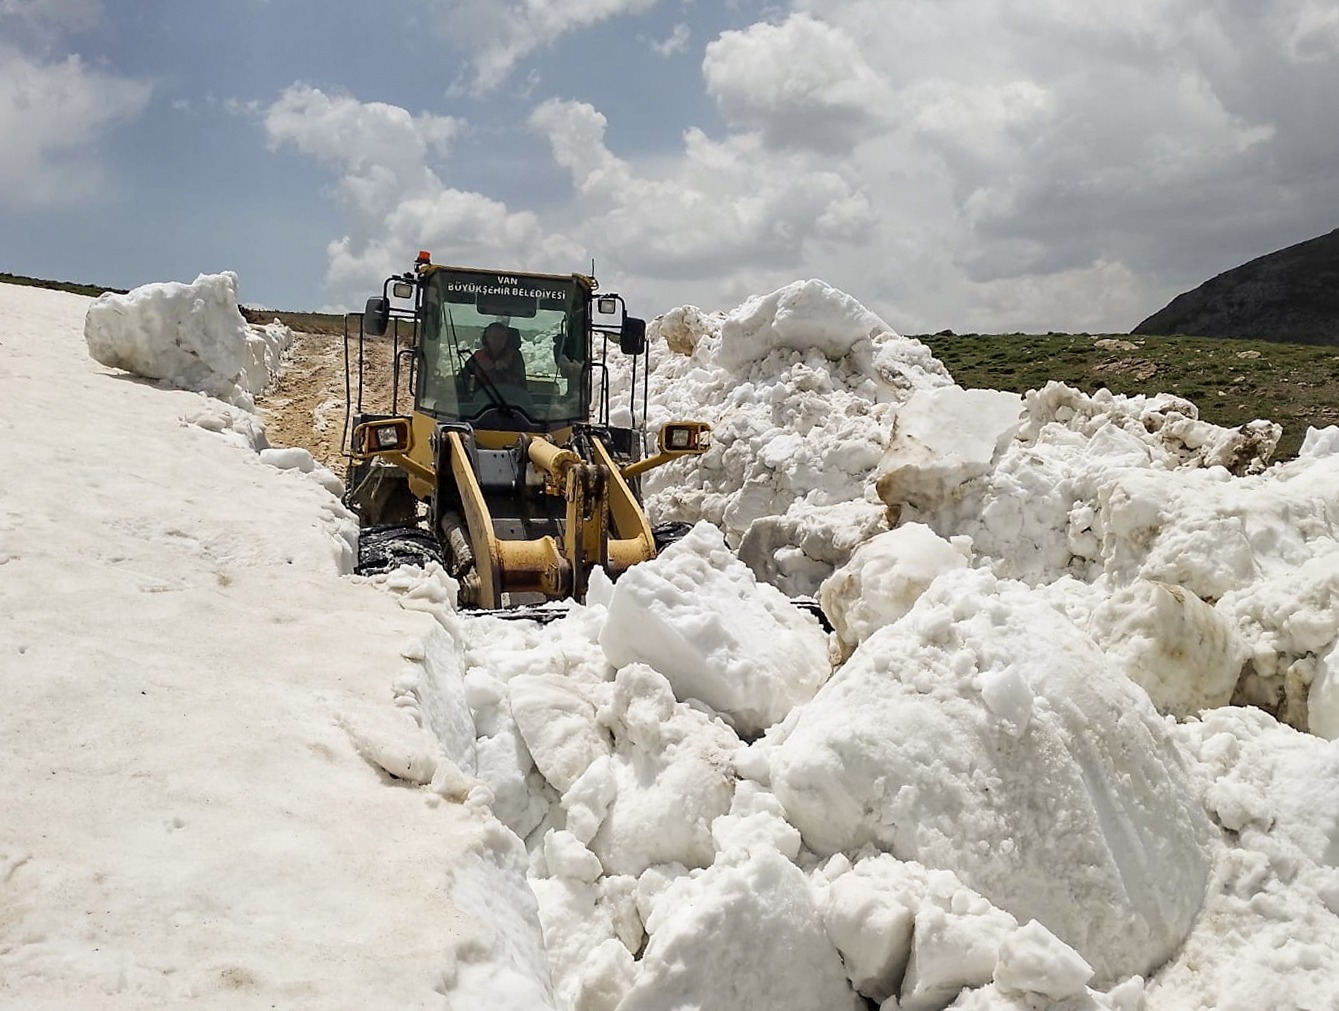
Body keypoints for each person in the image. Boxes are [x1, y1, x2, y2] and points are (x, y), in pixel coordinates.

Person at [466, 321, 527, 390]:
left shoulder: (514, 356)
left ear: (506, 338)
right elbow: (463, 376)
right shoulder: (478, 356)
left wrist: (505, 369)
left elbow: (521, 382)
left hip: (509, 397)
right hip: (482, 397)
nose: (498, 341)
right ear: (487, 338)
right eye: (494, 337)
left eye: (502, 337)